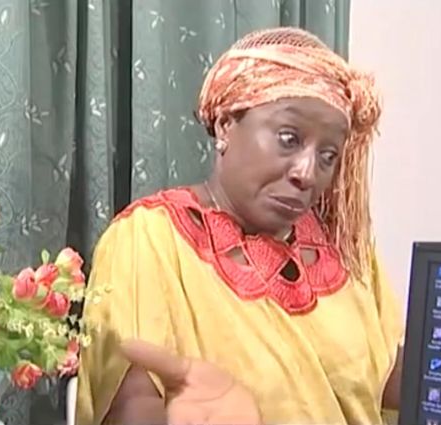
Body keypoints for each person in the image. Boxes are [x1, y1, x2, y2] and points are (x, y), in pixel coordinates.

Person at [76, 27, 404, 425]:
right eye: (289, 138)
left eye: (328, 155)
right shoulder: (150, 239)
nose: (307, 173)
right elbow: (134, 407)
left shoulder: (346, 249)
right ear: (226, 125)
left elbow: (402, 388)